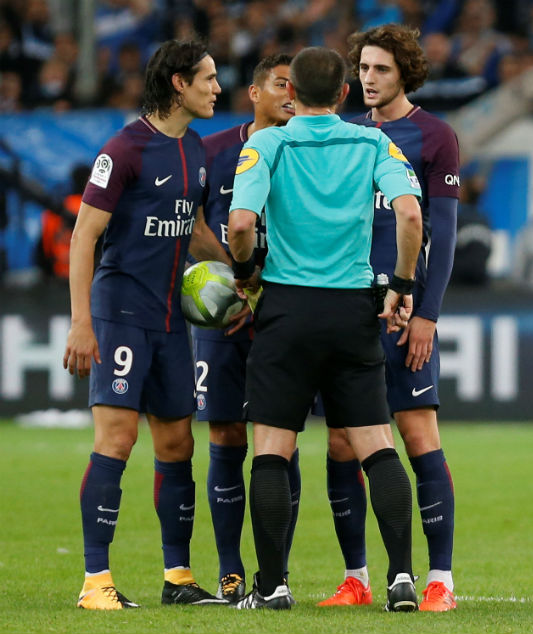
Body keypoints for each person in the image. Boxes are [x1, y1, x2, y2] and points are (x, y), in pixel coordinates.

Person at [227, 46, 423, 612]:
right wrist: (402, 287)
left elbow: (241, 224)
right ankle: (402, 581)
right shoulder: (372, 142)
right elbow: (410, 215)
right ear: (342, 93)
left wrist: (245, 276)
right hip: (351, 312)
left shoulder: (266, 143)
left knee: (271, 450)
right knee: (376, 447)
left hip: (286, 310)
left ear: (291, 94)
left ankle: (273, 587)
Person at [62, 39, 230, 610]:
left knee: (178, 442)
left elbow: (198, 231)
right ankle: (95, 582)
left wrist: (243, 277)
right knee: (117, 438)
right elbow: (84, 236)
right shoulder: (124, 149)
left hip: (169, 322)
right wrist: (81, 322)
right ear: (178, 84)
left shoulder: (197, 149)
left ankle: (178, 578)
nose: (217, 87)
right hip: (120, 313)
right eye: (207, 78)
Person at [315, 24, 462, 613]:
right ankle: (357, 577)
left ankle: (440, 581)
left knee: (418, 434)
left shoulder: (433, 136)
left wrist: (427, 314)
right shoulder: (343, 134)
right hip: (347, 312)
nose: (368, 80)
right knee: (341, 446)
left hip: (403, 316)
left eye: (380, 69)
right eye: (363, 69)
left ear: (405, 72)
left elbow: (442, 236)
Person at [195, 53, 295, 604]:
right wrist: (237, 283)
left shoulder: (306, 153)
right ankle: (231, 570)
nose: (291, 94)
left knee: (280, 442)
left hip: (283, 314)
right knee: (226, 434)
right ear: (254, 93)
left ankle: (276, 572)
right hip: (225, 314)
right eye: (281, 85)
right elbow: (192, 225)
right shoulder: (213, 152)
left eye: (298, 87)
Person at [37, 164, 89, 281]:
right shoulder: (91, 207)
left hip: (57, 271)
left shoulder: (58, 207)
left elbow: (45, 245)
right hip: (84, 274)